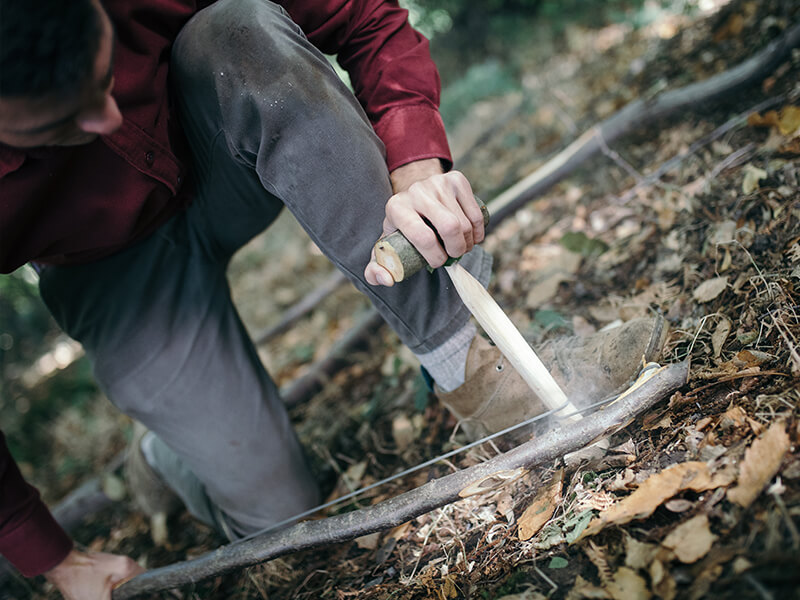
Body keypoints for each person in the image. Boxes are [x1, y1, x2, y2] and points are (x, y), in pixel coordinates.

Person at [0, 0, 662, 597]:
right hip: (111, 274)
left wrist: (417, 169)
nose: (110, 116)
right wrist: (55, 558)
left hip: (213, 137)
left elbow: (365, 18)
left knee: (242, 31)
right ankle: (164, 456)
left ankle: (474, 372)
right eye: (63, 119)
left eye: (106, 67)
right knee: (284, 521)